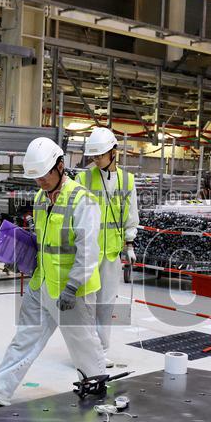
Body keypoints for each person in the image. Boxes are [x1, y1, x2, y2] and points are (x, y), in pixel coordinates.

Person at [0, 137, 105, 406]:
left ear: (60, 165)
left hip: (70, 290)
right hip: (42, 284)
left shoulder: (83, 201)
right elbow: (44, 241)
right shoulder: (40, 199)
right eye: (36, 177)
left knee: (83, 343)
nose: (40, 181)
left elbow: (88, 251)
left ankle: (97, 383)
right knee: (24, 338)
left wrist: (71, 286)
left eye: (44, 174)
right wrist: (19, 255)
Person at [76, 127, 139, 367]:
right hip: (87, 252)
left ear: (114, 152)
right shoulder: (83, 178)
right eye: (93, 156)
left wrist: (130, 243)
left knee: (105, 305)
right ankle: (86, 352)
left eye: (100, 155)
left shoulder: (126, 180)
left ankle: (101, 352)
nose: (96, 160)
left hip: (111, 253)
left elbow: (131, 215)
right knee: (86, 306)